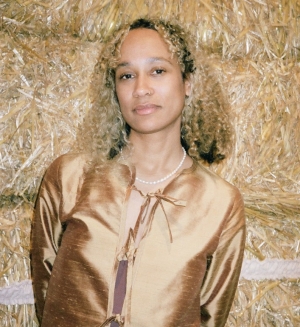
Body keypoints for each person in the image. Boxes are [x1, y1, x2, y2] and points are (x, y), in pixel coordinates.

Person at [31, 18, 245, 327]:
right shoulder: (69, 177)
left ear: (188, 82)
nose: (141, 89)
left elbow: (211, 316)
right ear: (114, 89)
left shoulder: (220, 203)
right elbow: (46, 293)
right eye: (127, 75)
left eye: (158, 71)